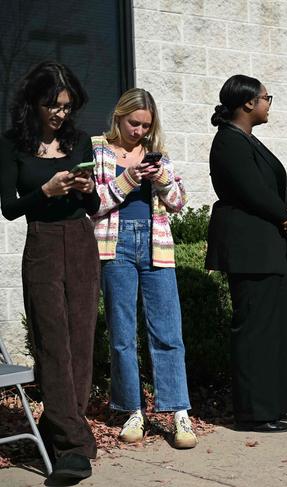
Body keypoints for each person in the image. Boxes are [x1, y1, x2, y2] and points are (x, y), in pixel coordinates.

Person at [0, 61, 99, 480]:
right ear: (33, 103)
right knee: (52, 341)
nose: (60, 113)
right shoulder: (10, 144)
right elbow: (10, 208)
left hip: (80, 239)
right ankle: (74, 444)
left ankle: (64, 431)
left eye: (66, 105)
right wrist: (45, 190)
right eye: (52, 105)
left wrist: (88, 190)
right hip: (41, 240)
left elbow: (92, 208)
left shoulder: (79, 143)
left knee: (80, 341)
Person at [91, 88, 197, 448]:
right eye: (133, 123)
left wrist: (161, 179)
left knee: (168, 330)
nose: (138, 131)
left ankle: (179, 412)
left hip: (156, 244)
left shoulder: (159, 156)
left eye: (145, 126)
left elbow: (179, 201)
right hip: (114, 244)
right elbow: (93, 203)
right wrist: (131, 178)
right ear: (119, 116)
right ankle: (133, 409)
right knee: (123, 335)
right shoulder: (98, 151)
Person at [205, 75, 287, 433]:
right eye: (266, 98)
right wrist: (286, 216)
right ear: (247, 103)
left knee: (282, 322)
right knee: (256, 330)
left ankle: (275, 403)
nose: (268, 104)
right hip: (249, 249)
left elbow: (279, 187)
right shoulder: (229, 143)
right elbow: (253, 192)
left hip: (270, 248)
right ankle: (253, 412)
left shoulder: (250, 141)